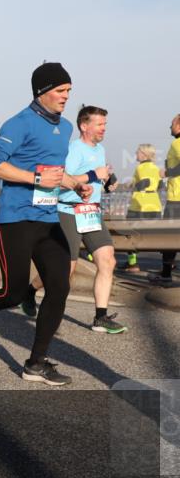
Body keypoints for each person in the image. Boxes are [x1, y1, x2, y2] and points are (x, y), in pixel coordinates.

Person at [0, 62, 92, 386]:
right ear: (42, 91)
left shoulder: (66, 127)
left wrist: (74, 184)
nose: (66, 96)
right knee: (12, 294)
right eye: (60, 90)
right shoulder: (20, 123)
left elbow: (54, 172)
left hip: (48, 219)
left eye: (69, 90)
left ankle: (35, 364)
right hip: (16, 219)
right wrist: (34, 178)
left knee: (60, 286)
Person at [20, 105, 124, 333]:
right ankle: (30, 291)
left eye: (105, 124)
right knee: (66, 269)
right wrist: (94, 174)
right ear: (84, 126)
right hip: (68, 211)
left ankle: (101, 317)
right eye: (99, 124)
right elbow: (61, 181)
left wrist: (107, 182)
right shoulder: (73, 149)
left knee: (108, 261)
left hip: (91, 212)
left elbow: (97, 176)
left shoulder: (100, 149)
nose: (104, 128)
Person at [151, 114, 180, 285]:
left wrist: (167, 172)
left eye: (172, 124)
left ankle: (166, 274)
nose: (170, 127)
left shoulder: (177, 143)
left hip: (177, 198)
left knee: (168, 236)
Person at [124, 144, 162, 274]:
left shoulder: (140, 168)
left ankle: (132, 263)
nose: (136, 154)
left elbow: (146, 182)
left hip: (139, 206)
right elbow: (160, 186)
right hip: (155, 206)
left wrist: (132, 185)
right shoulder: (156, 168)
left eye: (138, 152)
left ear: (144, 154)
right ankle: (168, 264)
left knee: (129, 234)